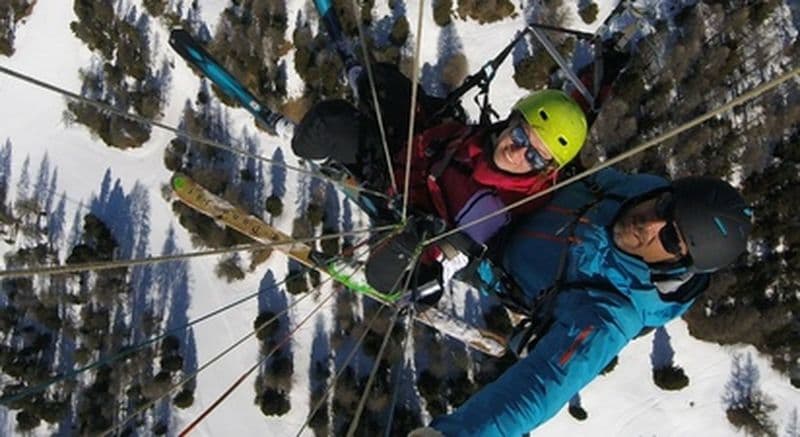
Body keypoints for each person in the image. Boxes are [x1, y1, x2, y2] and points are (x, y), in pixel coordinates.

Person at [413, 168, 753, 436]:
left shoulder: (612, 313)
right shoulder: (640, 190)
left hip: (481, 250)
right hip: (506, 191)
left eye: (670, 238)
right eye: (666, 207)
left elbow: (544, 384)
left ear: (678, 264)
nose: (650, 222)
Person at [291, 65, 589, 292]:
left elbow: (436, 274)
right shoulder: (479, 142)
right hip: (417, 150)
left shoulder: (490, 211)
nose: (517, 151)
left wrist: (404, 253)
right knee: (378, 78)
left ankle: (326, 159)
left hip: (398, 198)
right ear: (510, 121)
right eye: (521, 135)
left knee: (323, 126)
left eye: (534, 157)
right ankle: (362, 82)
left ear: (545, 170)